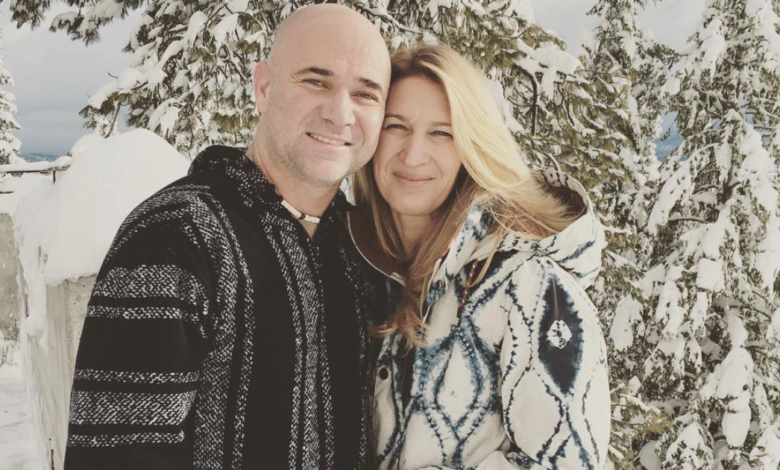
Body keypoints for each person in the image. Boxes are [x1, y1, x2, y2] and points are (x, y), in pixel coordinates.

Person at [64, 5, 391, 470]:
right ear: (263, 87)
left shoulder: (364, 247)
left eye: (366, 94)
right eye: (316, 81)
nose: (341, 113)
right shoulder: (174, 237)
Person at [350, 45, 611, 470]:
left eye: (442, 133)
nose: (413, 155)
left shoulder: (528, 285)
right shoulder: (357, 265)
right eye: (397, 126)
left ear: (472, 146)